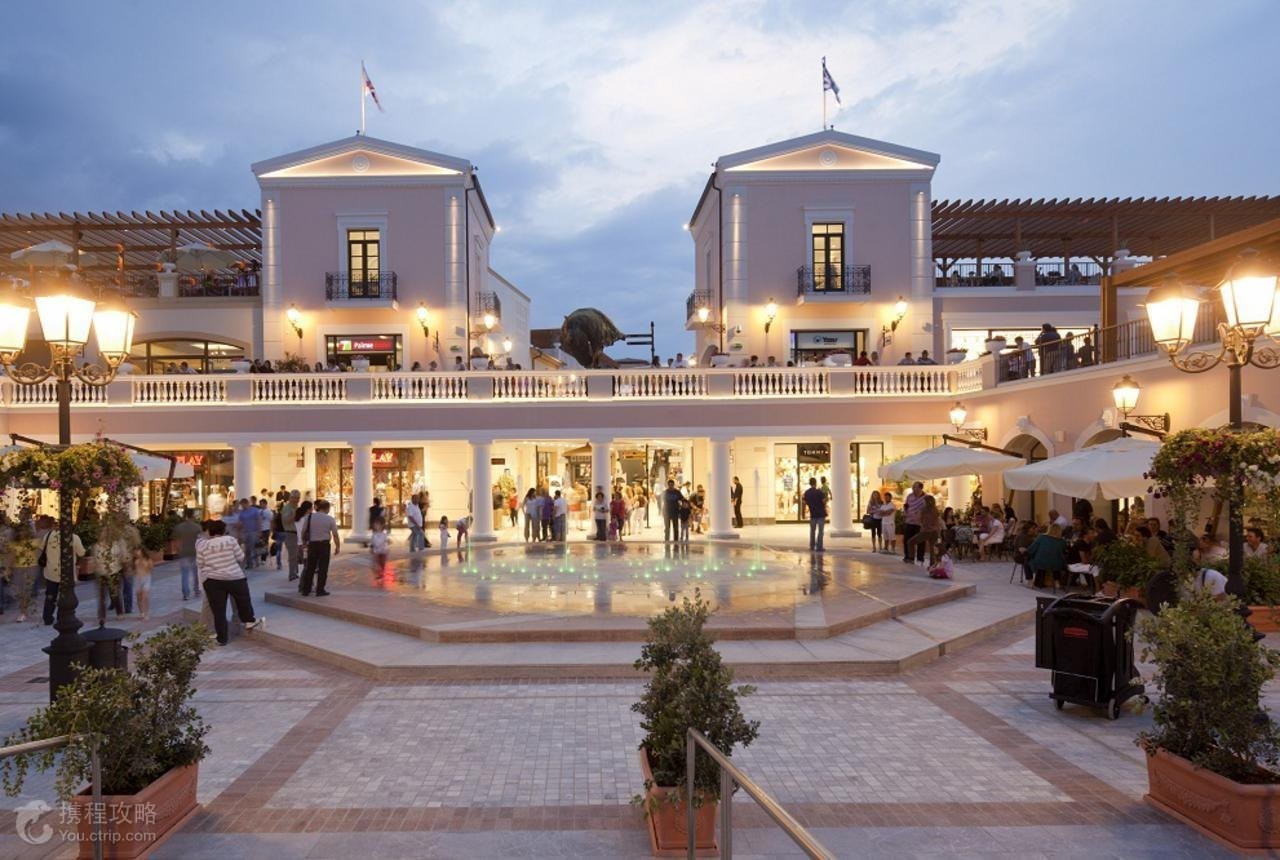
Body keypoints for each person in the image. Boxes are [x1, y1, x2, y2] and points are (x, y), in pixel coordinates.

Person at [196, 519, 265, 646]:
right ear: (223, 530)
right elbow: (241, 557)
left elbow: (200, 563)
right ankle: (249, 621)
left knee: (218, 611)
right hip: (234, 577)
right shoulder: (231, 540)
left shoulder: (203, 545)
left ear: (210, 531)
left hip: (213, 580)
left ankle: (222, 639)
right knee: (243, 599)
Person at [38, 515, 84, 626]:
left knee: (50, 596)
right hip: (66, 573)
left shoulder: (49, 535)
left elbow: (41, 548)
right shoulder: (74, 537)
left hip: (51, 571)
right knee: (65, 596)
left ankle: (47, 617)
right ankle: (61, 616)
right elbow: (81, 552)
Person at [298, 499, 340, 597]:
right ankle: (320, 590)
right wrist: (337, 547)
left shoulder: (309, 517)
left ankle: (306, 590)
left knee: (310, 568)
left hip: (312, 545)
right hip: (324, 545)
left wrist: (304, 542)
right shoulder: (330, 519)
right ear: (327, 508)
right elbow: (335, 534)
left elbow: (303, 531)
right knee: (323, 568)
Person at [173, 509, 204, 601]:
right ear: (193, 516)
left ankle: (186, 594)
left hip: (184, 553)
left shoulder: (179, 527)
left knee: (185, 574)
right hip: (195, 552)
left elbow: (176, 541)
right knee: (196, 573)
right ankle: (197, 590)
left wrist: (179, 550)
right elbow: (201, 540)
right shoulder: (197, 527)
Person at [1027, 523, 1068, 589]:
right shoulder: (1062, 541)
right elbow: (1064, 552)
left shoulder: (1042, 537)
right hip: (1056, 564)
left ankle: (1032, 580)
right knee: (1054, 562)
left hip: (1041, 562)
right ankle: (1057, 581)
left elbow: (1031, 549)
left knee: (1029, 561)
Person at [905, 495, 940, 566]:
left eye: (923, 501)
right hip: (934, 531)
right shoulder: (935, 510)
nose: (922, 502)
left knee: (910, 542)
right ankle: (933, 564)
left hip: (926, 531)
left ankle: (911, 558)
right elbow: (937, 521)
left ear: (927, 501)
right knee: (932, 548)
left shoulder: (923, 510)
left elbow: (918, 519)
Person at [901, 482, 927, 564]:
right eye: (913, 487)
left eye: (915, 487)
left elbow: (928, 509)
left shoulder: (926, 498)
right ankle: (908, 557)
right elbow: (906, 505)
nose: (913, 488)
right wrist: (905, 512)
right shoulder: (910, 496)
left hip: (920, 524)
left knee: (920, 541)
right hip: (909, 522)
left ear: (920, 488)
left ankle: (920, 559)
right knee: (907, 540)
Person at [802, 477, 827, 552]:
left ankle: (812, 546)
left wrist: (803, 513)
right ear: (815, 483)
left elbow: (804, 503)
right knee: (820, 531)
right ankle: (819, 547)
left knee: (812, 531)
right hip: (821, 514)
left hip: (813, 514)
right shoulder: (819, 492)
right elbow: (824, 501)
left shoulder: (807, 493)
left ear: (810, 483)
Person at [132, 547, 154, 620]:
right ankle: (142, 613)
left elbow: (151, 568)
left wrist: (145, 565)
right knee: (139, 598)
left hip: (146, 578)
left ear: (142, 551)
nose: (136, 552)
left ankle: (146, 614)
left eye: (138, 550)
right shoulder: (134, 560)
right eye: (135, 551)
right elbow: (133, 571)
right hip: (137, 579)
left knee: (145, 597)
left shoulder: (147, 559)